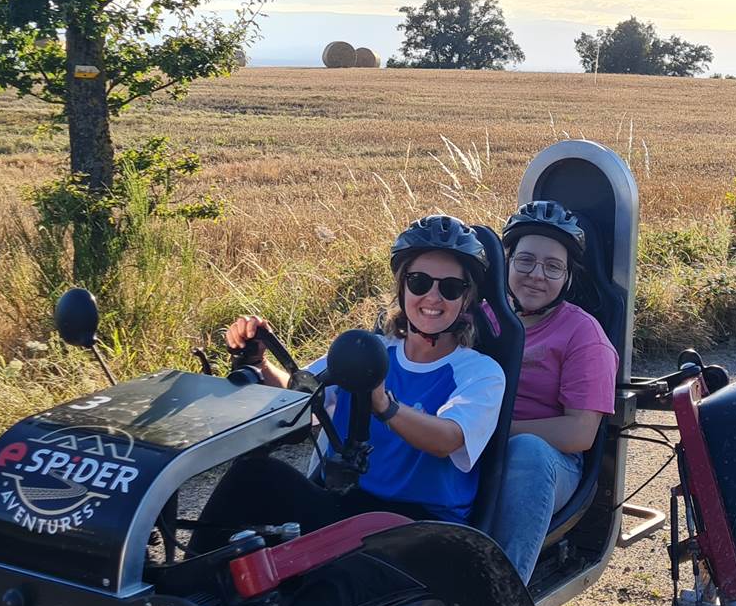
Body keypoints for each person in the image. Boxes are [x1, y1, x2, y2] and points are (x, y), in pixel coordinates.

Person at [189, 215, 507, 553]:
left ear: (467, 298)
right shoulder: (370, 350)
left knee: (321, 597)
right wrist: (258, 362)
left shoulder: (480, 372)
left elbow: (448, 439)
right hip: (351, 513)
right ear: (402, 287)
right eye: (419, 282)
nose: (432, 297)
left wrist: (384, 405)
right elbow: (301, 396)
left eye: (450, 287)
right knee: (254, 475)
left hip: (421, 532)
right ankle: (180, 594)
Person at [482, 201, 618, 583]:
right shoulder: (477, 315)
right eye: (525, 261)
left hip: (550, 464)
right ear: (506, 262)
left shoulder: (584, 335)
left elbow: (579, 433)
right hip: (470, 443)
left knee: (527, 453)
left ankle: (505, 601)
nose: (536, 275)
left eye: (552, 267)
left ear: (568, 278)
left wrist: (491, 430)